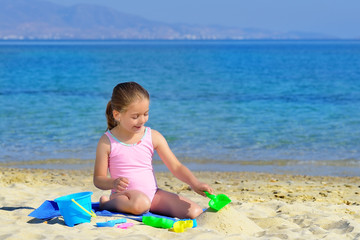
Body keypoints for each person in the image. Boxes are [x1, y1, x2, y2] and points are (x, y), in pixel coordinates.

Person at [93, 82, 213, 219]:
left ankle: (144, 204)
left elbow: (176, 166)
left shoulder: (153, 136)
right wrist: (113, 183)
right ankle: (106, 204)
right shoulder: (107, 141)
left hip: (153, 195)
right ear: (117, 115)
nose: (142, 120)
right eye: (135, 116)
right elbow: (98, 179)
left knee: (195, 212)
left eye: (145, 114)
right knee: (141, 203)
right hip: (124, 198)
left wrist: (195, 183)